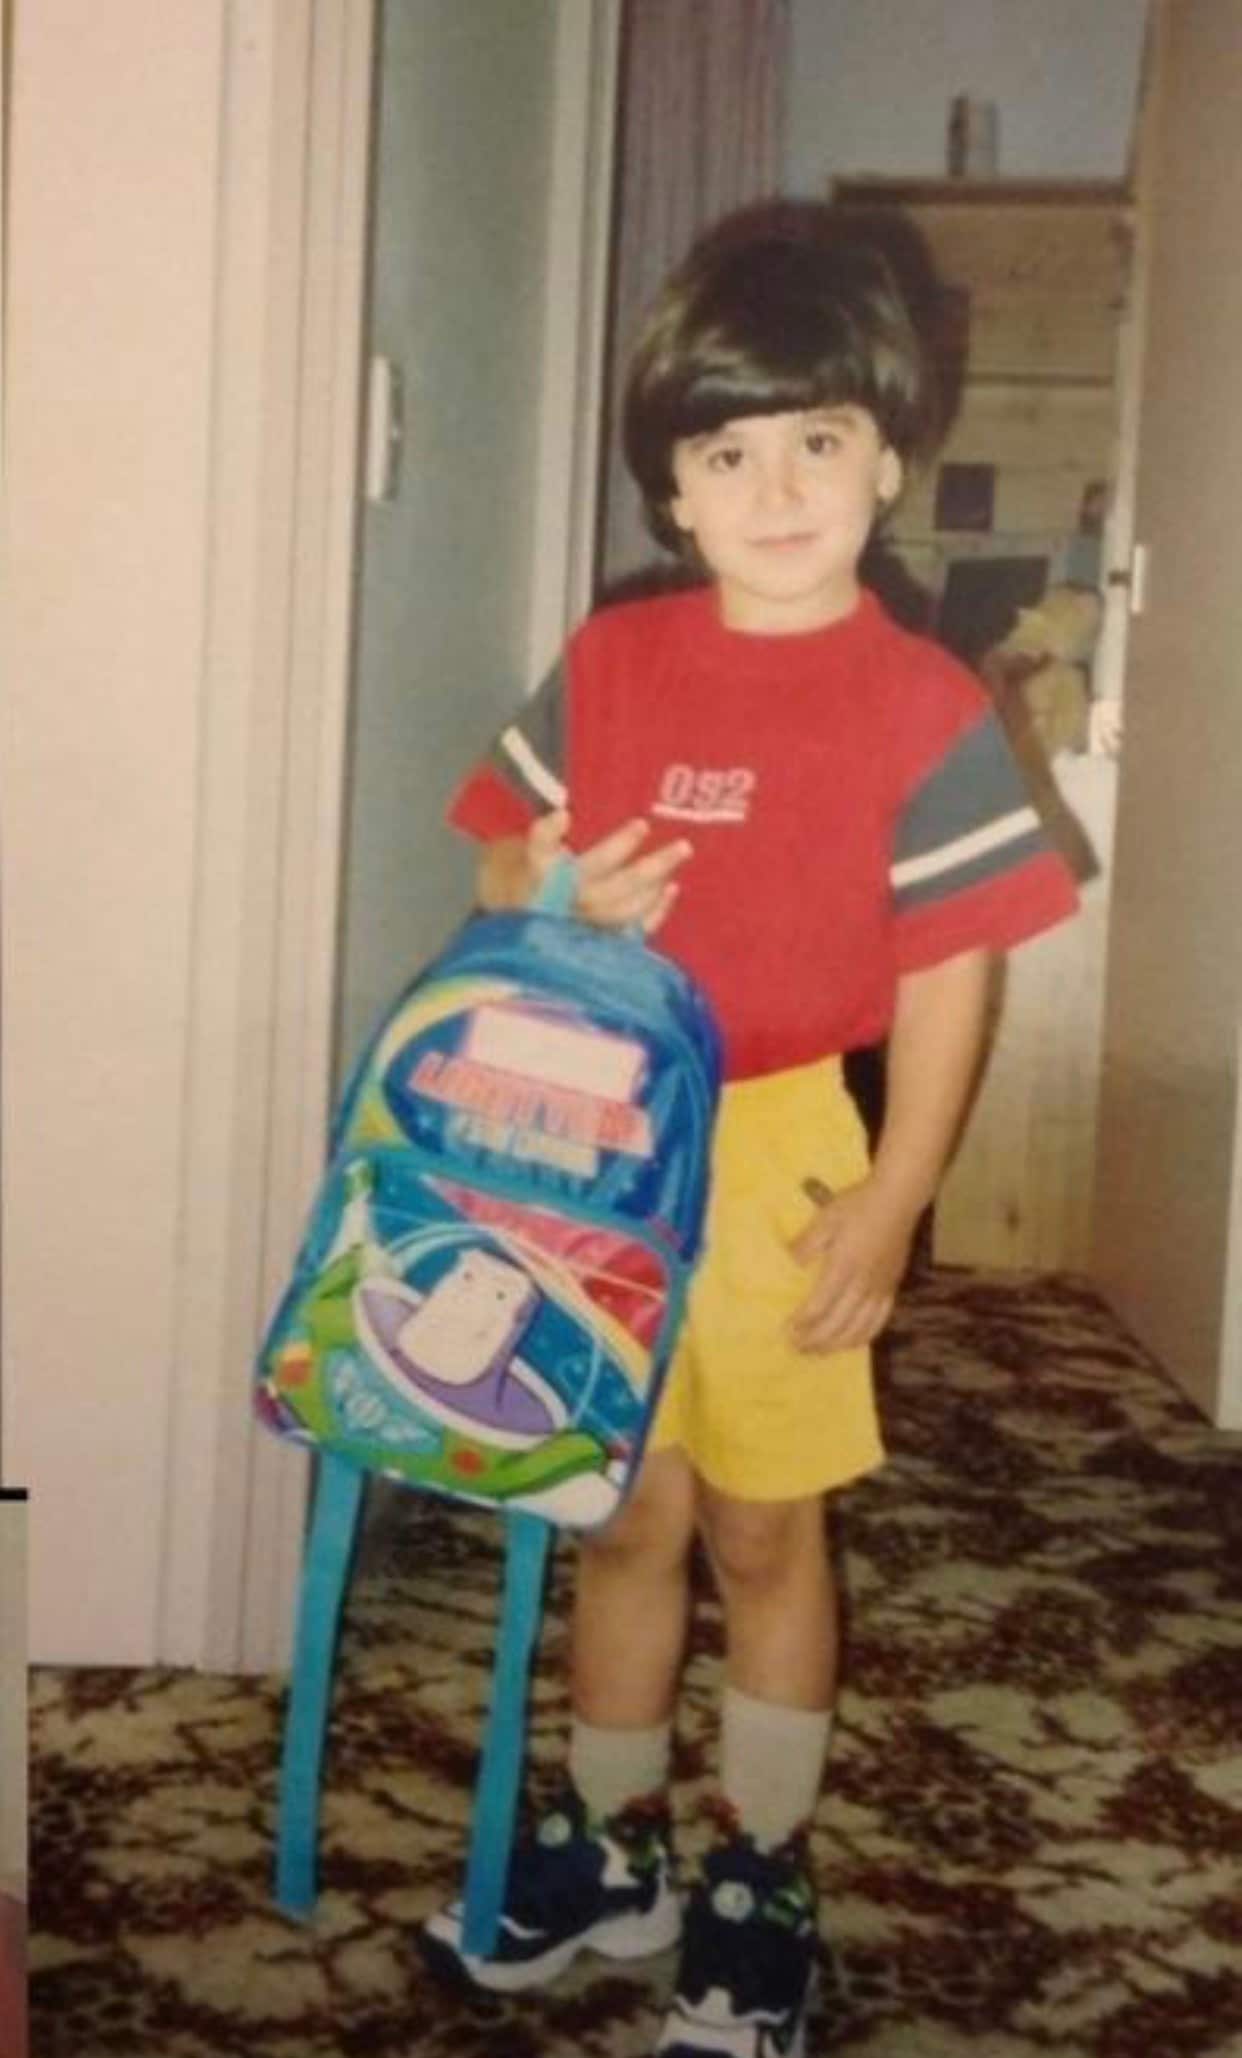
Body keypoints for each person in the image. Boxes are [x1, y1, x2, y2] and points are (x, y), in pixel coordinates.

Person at [419, 215, 1077, 2055]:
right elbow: (492, 841)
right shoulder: (616, 665)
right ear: (674, 494)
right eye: (726, 453)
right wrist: (551, 886)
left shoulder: (922, 706)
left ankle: (758, 1863)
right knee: (621, 1511)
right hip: (594, 1130)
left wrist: (894, 1194)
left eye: (813, 441)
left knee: (769, 1531)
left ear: (886, 452)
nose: (774, 487)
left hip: (784, 1143)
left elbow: (952, 972)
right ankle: (608, 1836)